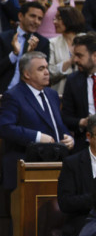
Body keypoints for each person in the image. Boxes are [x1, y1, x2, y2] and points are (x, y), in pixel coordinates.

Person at [0, 52, 73, 191]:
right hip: (26, 165)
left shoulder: (52, 94)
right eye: (41, 69)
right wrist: (37, 137)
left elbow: (58, 124)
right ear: (26, 74)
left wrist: (69, 138)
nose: (47, 72)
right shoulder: (13, 96)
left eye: (46, 67)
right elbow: (5, 127)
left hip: (55, 163)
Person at [0, 1, 51, 93]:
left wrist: (31, 55)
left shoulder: (43, 43)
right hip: (4, 92)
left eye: (40, 19)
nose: (36, 21)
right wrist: (14, 55)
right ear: (20, 16)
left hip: (29, 94)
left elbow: (43, 75)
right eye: (32, 16)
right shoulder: (3, 38)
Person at [48, 6, 86, 94]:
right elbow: (50, 73)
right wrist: (70, 61)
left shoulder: (87, 40)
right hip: (61, 94)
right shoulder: (52, 43)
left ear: (70, 19)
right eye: (54, 19)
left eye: (59, 19)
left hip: (84, 93)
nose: (54, 22)